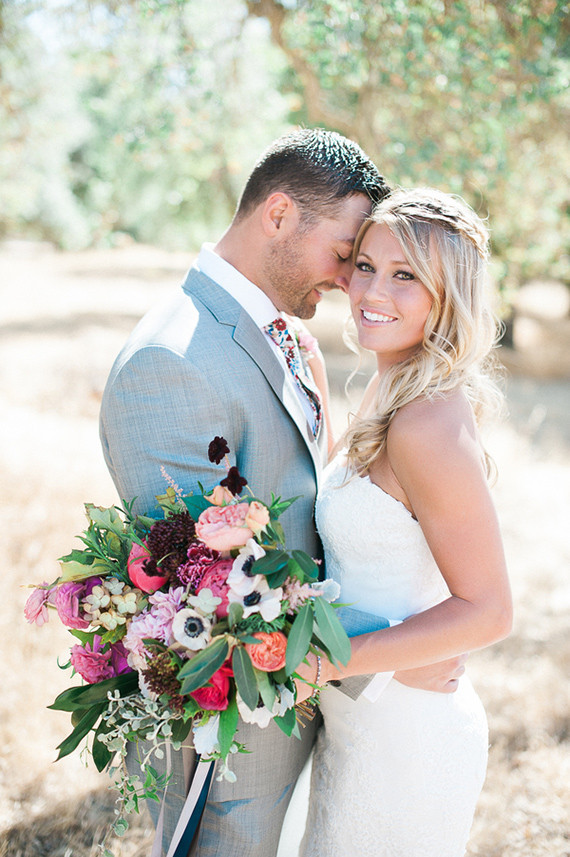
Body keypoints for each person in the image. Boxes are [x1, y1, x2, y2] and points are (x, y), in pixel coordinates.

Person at [99, 131, 467, 857]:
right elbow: (204, 590)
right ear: (277, 215)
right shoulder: (169, 362)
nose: (348, 282)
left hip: (311, 711)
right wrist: (386, 653)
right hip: (235, 744)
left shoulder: (286, 336)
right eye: (346, 254)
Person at [297, 188, 513, 857]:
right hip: (362, 717)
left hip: (408, 737)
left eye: (405, 275)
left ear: (447, 296)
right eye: (365, 264)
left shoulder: (426, 421)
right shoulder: (388, 386)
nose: (372, 290)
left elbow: (490, 610)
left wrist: (328, 663)